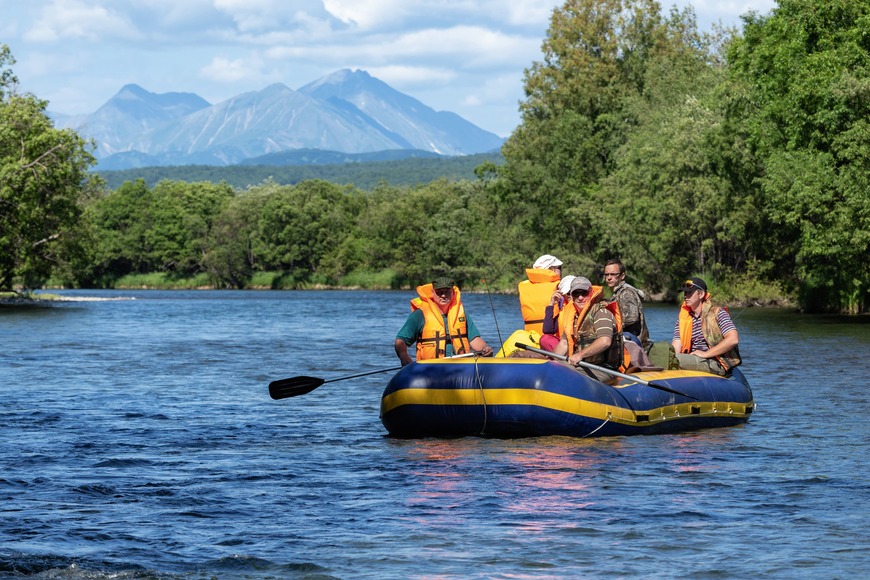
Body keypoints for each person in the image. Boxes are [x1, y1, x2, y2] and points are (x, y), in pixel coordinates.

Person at [394, 276, 494, 366]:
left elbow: (475, 340)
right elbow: (400, 341)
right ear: (433, 293)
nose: (443, 295)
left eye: (447, 292)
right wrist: (404, 357)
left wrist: (485, 349)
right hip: (431, 369)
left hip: (461, 368)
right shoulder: (420, 315)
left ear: (453, 293)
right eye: (439, 292)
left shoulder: (462, 314)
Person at [553, 277, 625, 381]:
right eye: (576, 294)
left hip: (603, 369)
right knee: (553, 366)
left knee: (560, 371)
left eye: (584, 293)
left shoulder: (601, 313)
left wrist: (579, 355)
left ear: (591, 292)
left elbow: (605, 341)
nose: (580, 297)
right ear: (571, 296)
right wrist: (549, 360)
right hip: (581, 366)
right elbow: (564, 343)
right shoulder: (574, 317)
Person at [671, 277, 741, 376]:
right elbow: (677, 345)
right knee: (666, 358)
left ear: (701, 294)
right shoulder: (683, 319)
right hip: (691, 359)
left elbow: (733, 339)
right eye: (685, 293)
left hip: (715, 362)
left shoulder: (718, 313)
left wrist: (705, 354)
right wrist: (670, 356)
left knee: (676, 361)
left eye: (690, 293)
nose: (686, 296)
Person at [603, 259, 651, 352]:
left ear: (622, 276)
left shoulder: (627, 292)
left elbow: (632, 318)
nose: (609, 277)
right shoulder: (618, 293)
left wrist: (607, 323)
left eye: (613, 274)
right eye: (607, 274)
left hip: (633, 343)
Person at [518, 254, 563, 334]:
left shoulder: (524, 286)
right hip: (553, 336)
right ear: (552, 269)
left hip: (530, 335)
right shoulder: (559, 286)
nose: (561, 271)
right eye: (559, 268)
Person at [539, 275, 575, 351]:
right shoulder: (563, 308)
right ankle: (558, 356)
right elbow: (547, 330)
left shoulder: (584, 306)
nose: (571, 296)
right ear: (563, 295)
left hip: (577, 347)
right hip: (563, 347)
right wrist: (551, 304)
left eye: (574, 293)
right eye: (568, 293)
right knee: (544, 339)